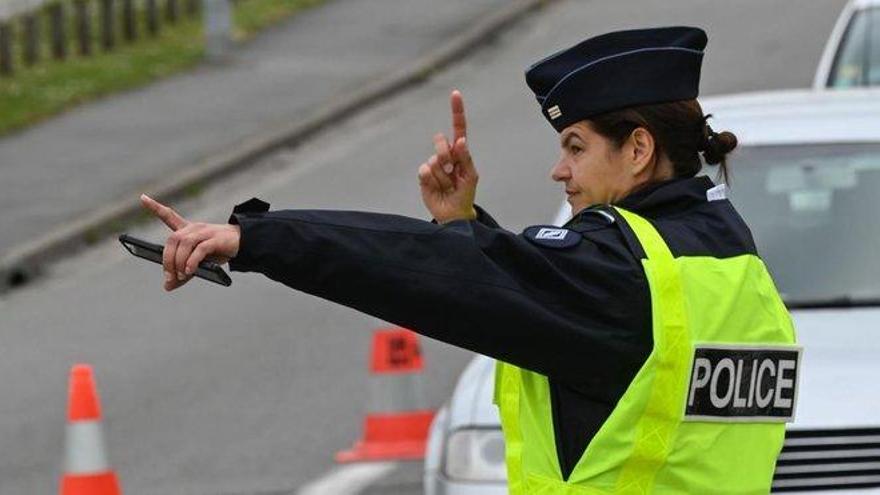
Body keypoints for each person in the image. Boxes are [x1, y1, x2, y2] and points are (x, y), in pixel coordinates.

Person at [141, 26, 799, 493]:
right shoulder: (734, 259)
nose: (558, 171)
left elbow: (424, 273)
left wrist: (258, 239)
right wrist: (466, 228)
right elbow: (561, 302)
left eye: (575, 146)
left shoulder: (621, 271)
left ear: (637, 149)